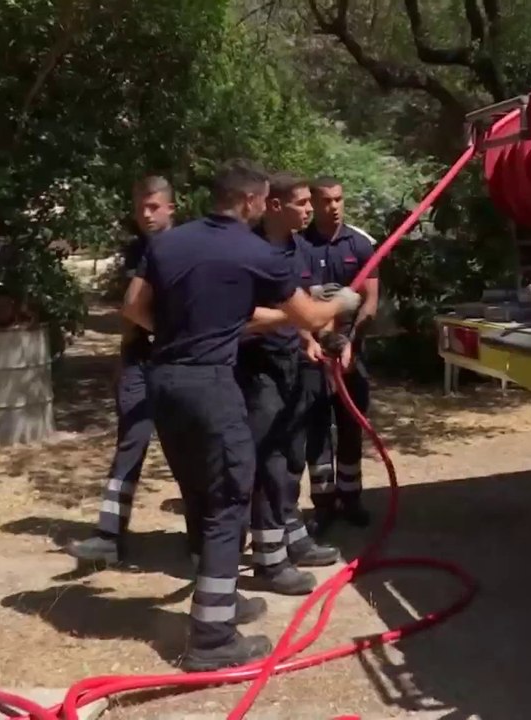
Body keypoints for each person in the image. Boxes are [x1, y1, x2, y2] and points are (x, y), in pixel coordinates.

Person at [122, 159, 360, 671]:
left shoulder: (169, 243)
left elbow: (134, 306)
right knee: (230, 500)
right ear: (252, 200)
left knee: (202, 492)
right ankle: (212, 640)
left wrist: (180, 332)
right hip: (211, 385)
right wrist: (343, 299)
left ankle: (222, 602)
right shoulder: (255, 251)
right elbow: (309, 316)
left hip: (163, 382)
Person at [238, 172, 343, 596]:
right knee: (268, 459)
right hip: (255, 365)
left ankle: (292, 535)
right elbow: (243, 318)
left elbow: (300, 302)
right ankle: (269, 559)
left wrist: (310, 339)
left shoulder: (300, 249)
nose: (309, 210)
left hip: (291, 362)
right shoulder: (249, 251)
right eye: (302, 203)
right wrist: (305, 317)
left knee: (292, 455)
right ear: (275, 206)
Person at [67, 175, 176, 565]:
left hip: (178, 363)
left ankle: (206, 540)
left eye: (153, 207)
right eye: (139, 208)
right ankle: (108, 535)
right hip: (138, 360)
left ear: (170, 208)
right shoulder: (135, 252)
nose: (146, 215)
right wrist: (122, 360)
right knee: (130, 441)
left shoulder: (186, 247)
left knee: (188, 450)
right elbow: (130, 313)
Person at [301, 176, 381, 535]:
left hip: (351, 352)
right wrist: (311, 341)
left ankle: (351, 498)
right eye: (326, 200)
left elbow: (371, 302)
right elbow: (291, 302)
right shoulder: (297, 246)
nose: (333, 206)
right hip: (312, 354)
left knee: (351, 427)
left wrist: (350, 342)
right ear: (313, 204)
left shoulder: (360, 244)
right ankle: (323, 505)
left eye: (338, 199)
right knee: (316, 431)